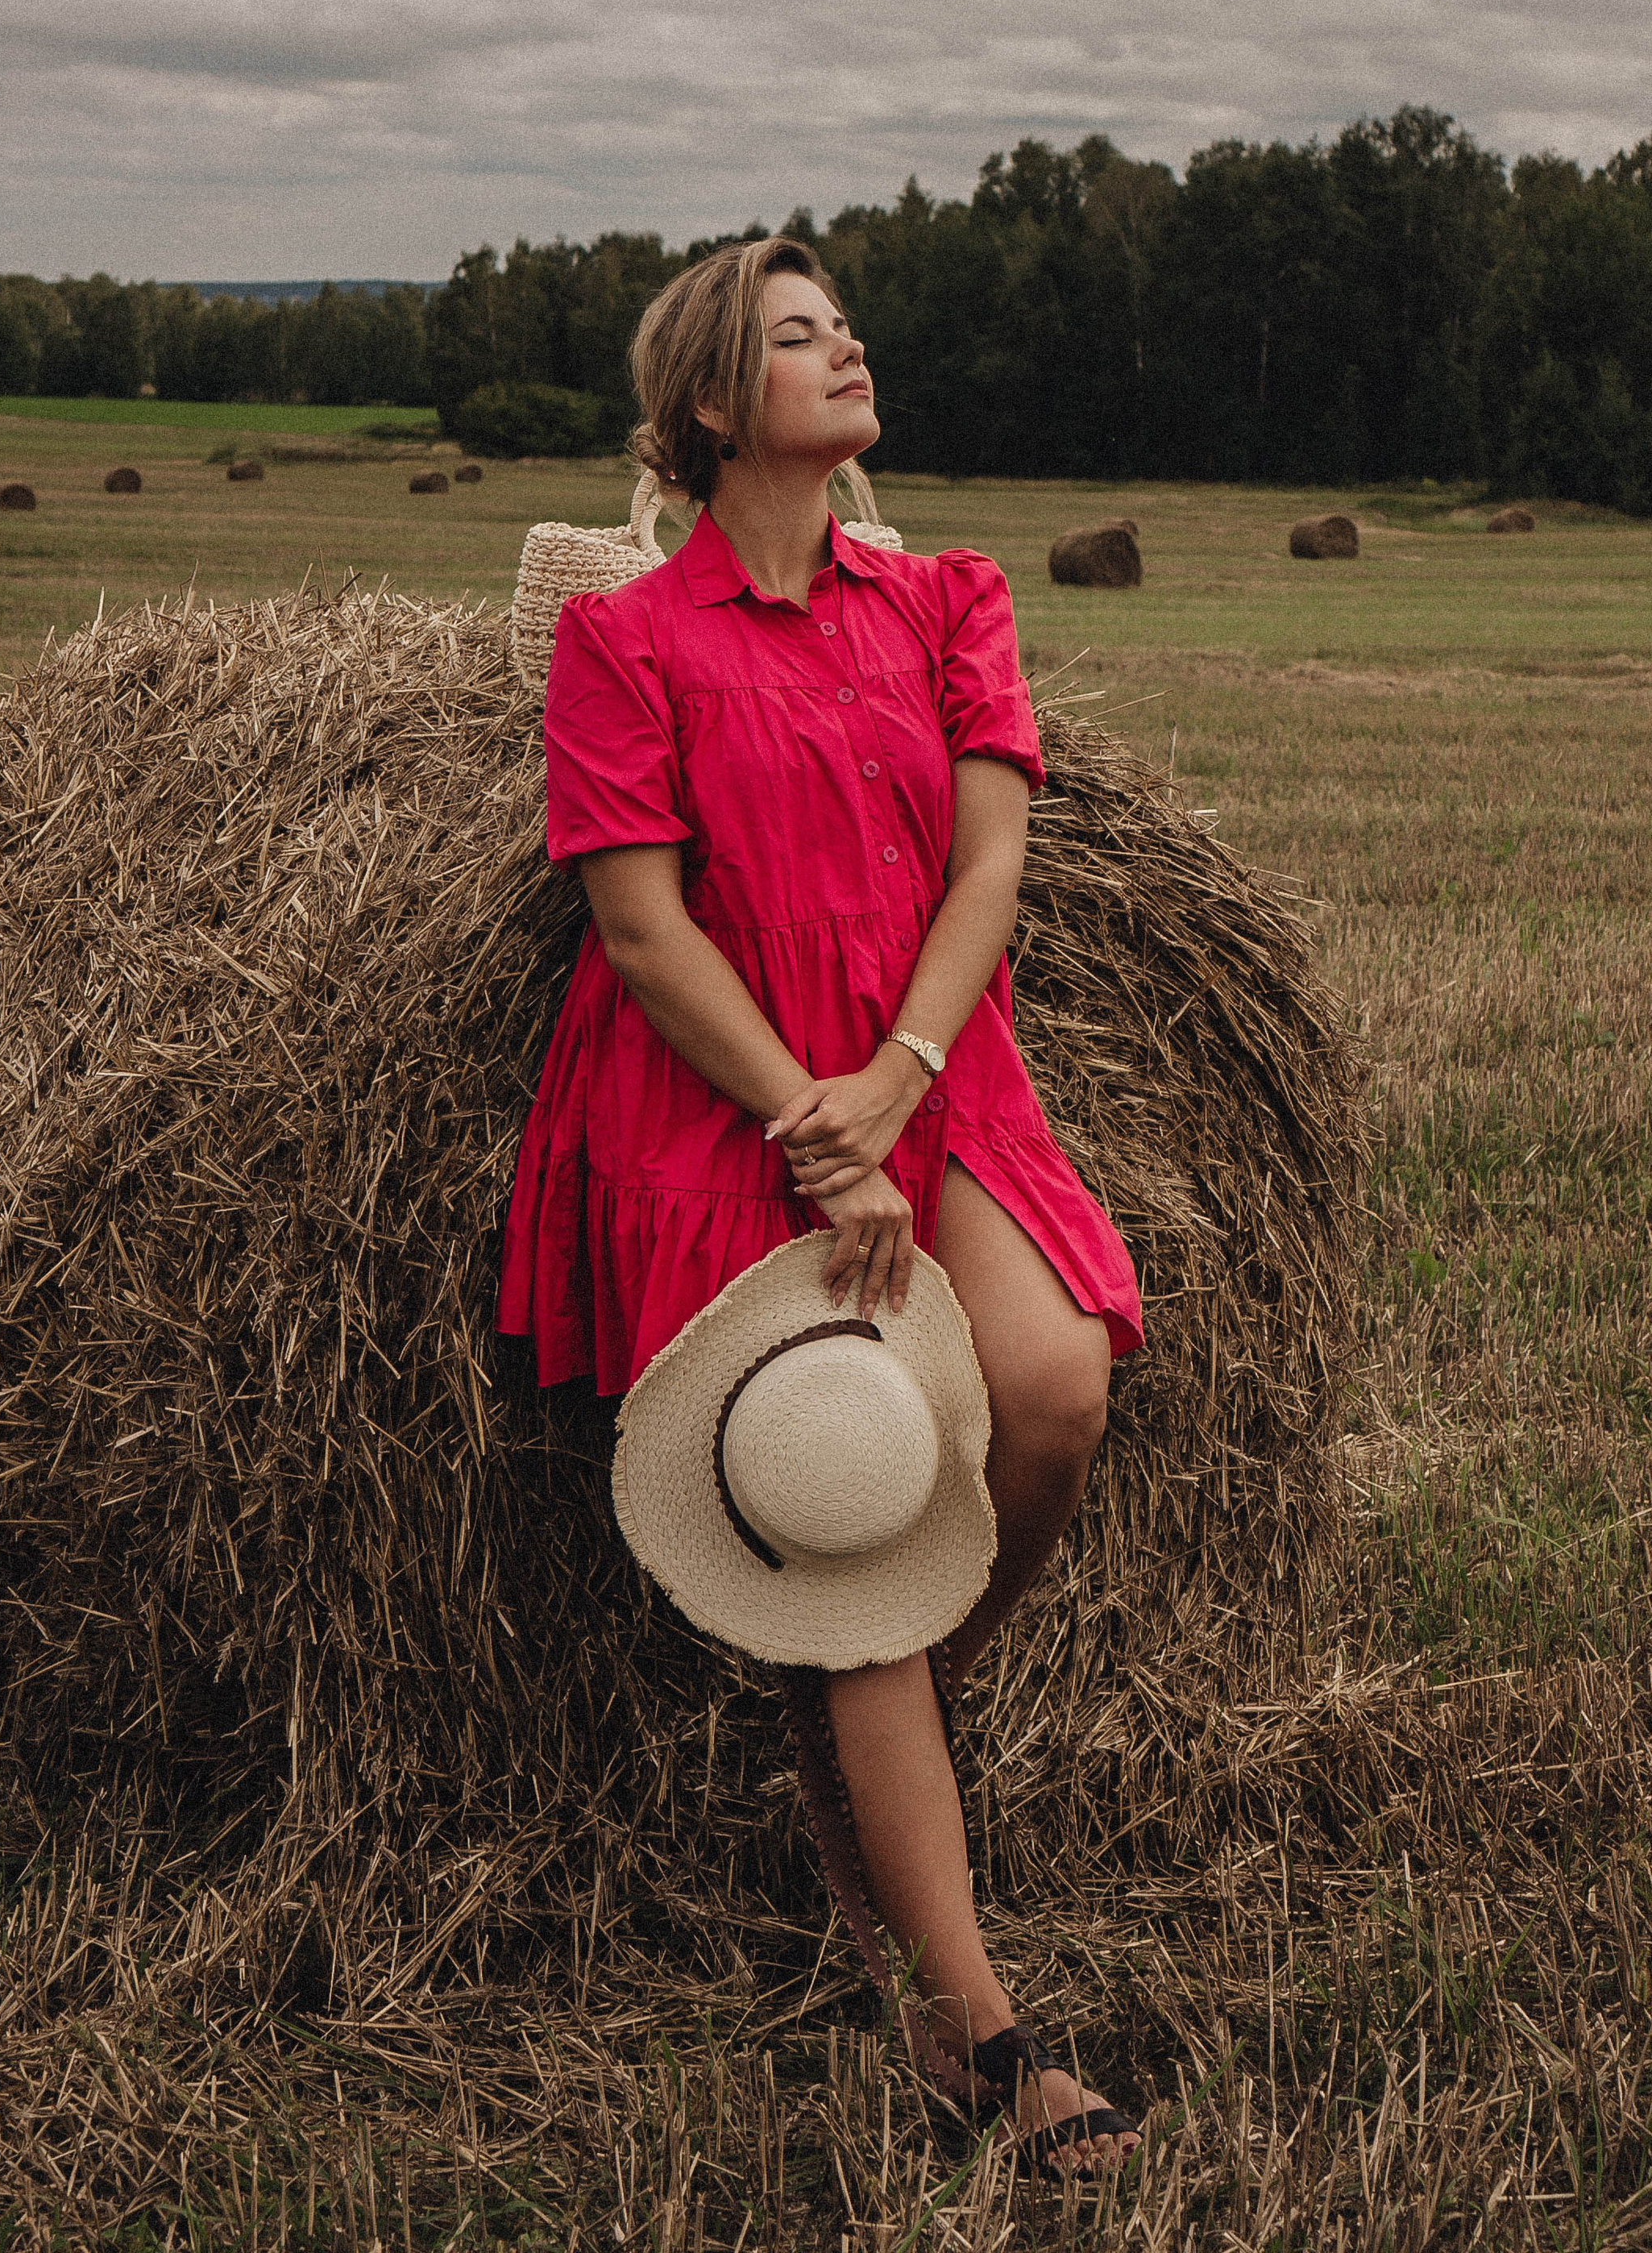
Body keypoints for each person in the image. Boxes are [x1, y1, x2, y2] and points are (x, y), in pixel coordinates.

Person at [497, 233, 1145, 2175]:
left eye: (842, 323)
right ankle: (980, 2031)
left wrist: (903, 1080)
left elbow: (989, 862)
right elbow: (636, 920)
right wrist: (809, 1119)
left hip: (931, 1070)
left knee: (1047, 1397)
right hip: (724, 1105)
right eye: (801, 334)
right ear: (714, 405)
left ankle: (869, 1747)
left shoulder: (943, 595)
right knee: (856, 1471)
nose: (847, 344)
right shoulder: (629, 640)